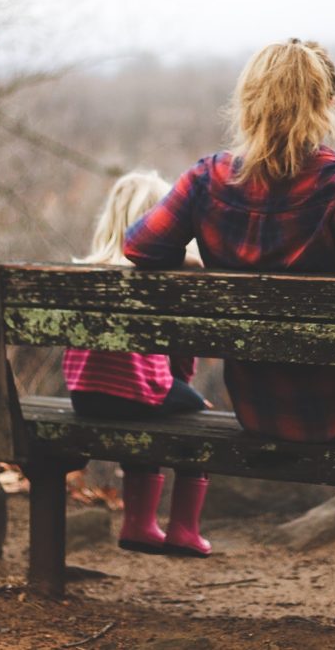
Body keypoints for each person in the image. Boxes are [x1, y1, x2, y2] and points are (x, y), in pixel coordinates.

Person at [124, 39, 335, 605]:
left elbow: (140, 246)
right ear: (328, 102)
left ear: (249, 102)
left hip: (257, 405)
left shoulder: (206, 179)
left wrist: (194, 260)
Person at [66, 171, 213, 557]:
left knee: (147, 408)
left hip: (84, 396)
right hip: (137, 394)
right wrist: (185, 387)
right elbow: (180, 352)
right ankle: (183, 529)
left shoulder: (85, 272)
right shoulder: (159, 276)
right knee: (198, 415)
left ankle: (139, 523)